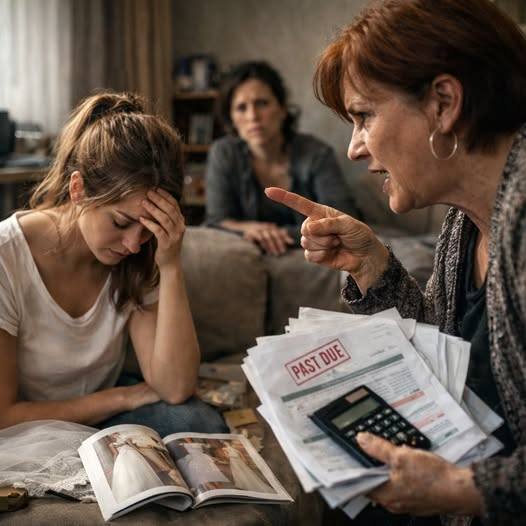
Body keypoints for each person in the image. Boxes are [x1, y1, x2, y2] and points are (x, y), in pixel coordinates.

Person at [265, 1, 526, 525]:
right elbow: (442, 356)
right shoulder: (463, 223)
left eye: (363, 116)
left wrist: (462, 489)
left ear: (443, 104)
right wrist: (372, 265)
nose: (354, 148)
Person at [0, 91, 227, 438]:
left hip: (105, 419)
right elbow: (4, 416)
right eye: (121, 222)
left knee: (198, 423)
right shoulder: (7, 254)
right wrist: (122, 396)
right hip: (30, 424)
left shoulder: (140, 255)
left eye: (148, 229)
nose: (134, 244)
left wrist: (170, 266)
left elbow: (174, 387)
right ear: (78, 189)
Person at [205, 60, 361, 256]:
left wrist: (274, 234)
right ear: (231, 118)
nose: (253, 116)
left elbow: (344, 219)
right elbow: (216, 221)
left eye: (262, 103)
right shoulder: (223, 153)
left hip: (311, 254)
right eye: (241, 108)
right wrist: (248, 229)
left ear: (282, 108)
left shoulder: (317, 153)